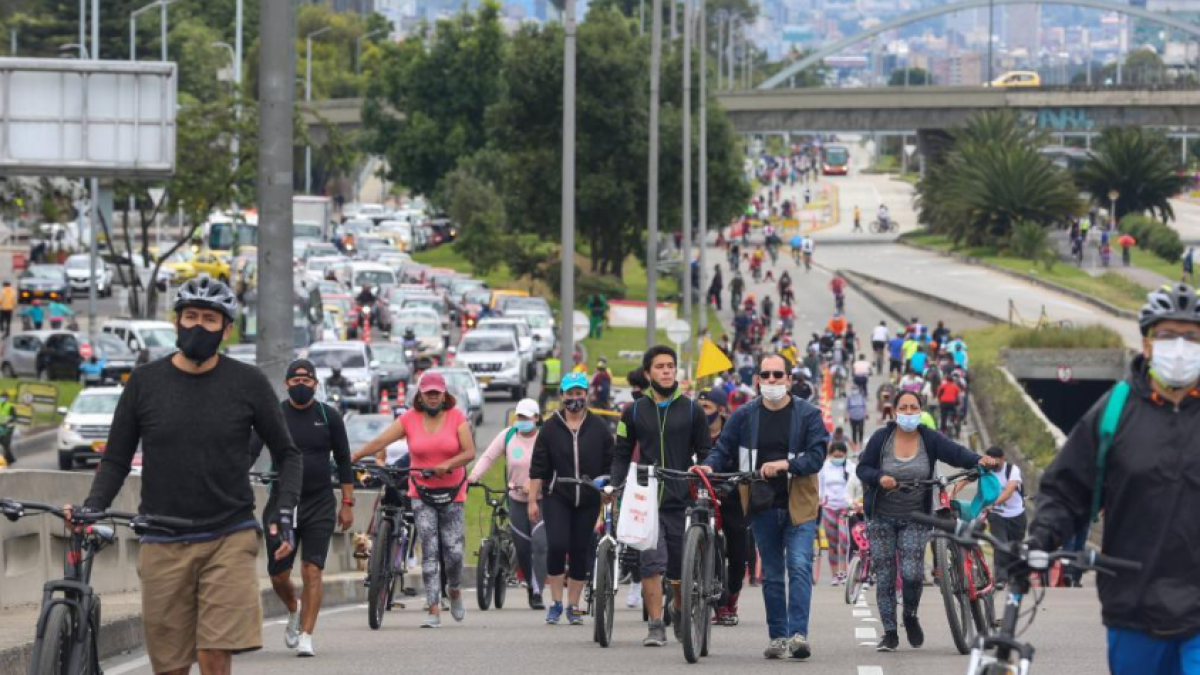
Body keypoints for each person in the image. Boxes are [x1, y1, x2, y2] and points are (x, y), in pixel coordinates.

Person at [76, 278, 303, 675]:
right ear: (177, 321)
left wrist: (284, 513)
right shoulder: (145, 383)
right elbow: (115, 460)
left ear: (226, 329)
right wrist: (93, 507)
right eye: (191, 316)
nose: (199, 326)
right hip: (161, 537)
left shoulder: (248, 383)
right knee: (171, 666)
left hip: (229, 535)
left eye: (210, 319)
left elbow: (288, 455)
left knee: (214, 652)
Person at [1028, 283, 1200, 673]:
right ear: (1148, 343)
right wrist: (1042, 537)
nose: (1180, 346)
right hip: (1132, 605)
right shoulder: (1114, 412)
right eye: (1168, 335)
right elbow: (1068, 487)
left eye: (1192, 337)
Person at [700, 354, 828, 660]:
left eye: (777, 375)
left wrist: (786, 465)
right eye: (765, 375)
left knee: (798, 565)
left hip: (799, 503)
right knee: (771, 573)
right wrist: (707, 466)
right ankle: (778, 637)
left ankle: (798, 635)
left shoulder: (808, 414)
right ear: (757, 379)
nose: (771, 381)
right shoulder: (744, 415)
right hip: (761, 504)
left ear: (788, 379)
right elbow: (723, 449)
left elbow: (817, 456)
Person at [855, 390, 997, 652]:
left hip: (915, 518)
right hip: (881, 517)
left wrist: (979, 460)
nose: (908, 412)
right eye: (903, 407)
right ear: (894, 411)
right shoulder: (881, 439)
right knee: (886, 577)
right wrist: (878, 478)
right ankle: (889, 633)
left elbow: (955, 453)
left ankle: (910, 615)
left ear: (920, 411)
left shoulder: (928, 438)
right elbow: (862, 468)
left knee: (911, 574)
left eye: (913, 407)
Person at [352, 372, 475, 627]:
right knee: (429, 550)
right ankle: (432, 609)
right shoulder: (408, 419)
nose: (432, 397)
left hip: (453, 493)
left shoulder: (456, 418)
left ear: (444, 395)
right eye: (427, 393)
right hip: (421, 493)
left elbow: (469, 452)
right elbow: (380, 441)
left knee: (453, 552)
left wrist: (447, 465)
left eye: (436, 393)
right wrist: (354, 456)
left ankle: (453, 590)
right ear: (419, 395)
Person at [249, 359, 354, 658]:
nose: (301, 386)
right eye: (295, 381)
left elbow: (344, 461)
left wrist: (347, 503)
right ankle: (293, 608)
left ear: (315, 384)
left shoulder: (328, 416)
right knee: (279, 574)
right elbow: (250, 450)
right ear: (286, 384)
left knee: (312, 570)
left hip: (320, 502)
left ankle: (307, 635)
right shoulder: (274, 415)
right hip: (282, 502)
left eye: (307, 381)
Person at [611, 345, 711, 647]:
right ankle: (655, 625)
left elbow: (706, 451)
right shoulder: (633, 412)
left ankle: (677, 607)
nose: (667, 371)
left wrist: (704, 471)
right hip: (647, 497)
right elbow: (621, 454)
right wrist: (615, 486)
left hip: (681, 497)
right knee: (651, 564)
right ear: (648, 373)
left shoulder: (692, 409)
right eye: (660, 366)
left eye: (671, 366)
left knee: (681, 567)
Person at [529, 373, 614, 625]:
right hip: (558, 495)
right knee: (556, 544)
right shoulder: (550, 427)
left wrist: (607, 489)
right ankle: (556, 601)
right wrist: (533, 499)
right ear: (562, 396)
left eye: (579, 393)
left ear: (586, 395)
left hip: (588, 497)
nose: (575, 398)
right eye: (570, 393)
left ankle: (574, 605)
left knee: (579, 548)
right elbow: (538, 468)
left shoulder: (598, 427)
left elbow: (610, 463)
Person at [471, 398, 549, 609]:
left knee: (540, 545)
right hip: (516, 500)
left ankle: (538, 592)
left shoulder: (545, 438)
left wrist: (535, 486)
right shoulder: (507, 436)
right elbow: (488, 457)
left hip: (542, 501)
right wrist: (473, 477)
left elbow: (556, 467)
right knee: (522, 547)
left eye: (526, 417)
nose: (521, 420)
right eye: (519, 416)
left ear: (537, 418)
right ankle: (530, 587)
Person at [697, 387, 748, 626]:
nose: (701, 412)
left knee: (738, 552)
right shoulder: (690, 430)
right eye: (698, 407)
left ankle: (732, 596)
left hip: (731, 497)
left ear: (720, 409)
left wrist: (733, 482)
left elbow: (745, 462)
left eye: (706, 407)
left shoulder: (735, 431)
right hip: (697, 496)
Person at [982, 446, 1025, 586]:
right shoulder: (986, 470)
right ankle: (1001, 579)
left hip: (1016, 514)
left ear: (1002, 459)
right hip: (996, 515)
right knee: (1000, 545)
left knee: (1015, 547)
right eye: (990, 462)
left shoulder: (1012, 470)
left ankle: (1015, 576)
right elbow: (970, 478)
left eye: (995, 462)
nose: (993, 465)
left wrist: (993, 503)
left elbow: (1009, 491)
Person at [818, 442, 854, 586]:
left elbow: (855, 485)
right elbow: (820, 487)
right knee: (832, 543)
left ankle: (844, 572)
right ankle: (834, 575)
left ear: (845, 455)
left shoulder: (851, 467)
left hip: (846, 508)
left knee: (845, 541)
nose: (838, 458)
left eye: (841, 456)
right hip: (829, 508)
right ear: (830, 455)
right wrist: (821, 500)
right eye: (835, 456)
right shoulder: (823, 468)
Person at [0, 390, 15, 466]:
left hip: (8, 428)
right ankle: (9, 459)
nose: (2, 398)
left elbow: (12, 418)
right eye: (2, 397)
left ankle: (9, 460)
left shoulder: (10, 406)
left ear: (7, 398)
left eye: (4, 397)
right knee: (4, 444)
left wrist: (8, 429)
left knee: (6, 444)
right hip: (0, 427)